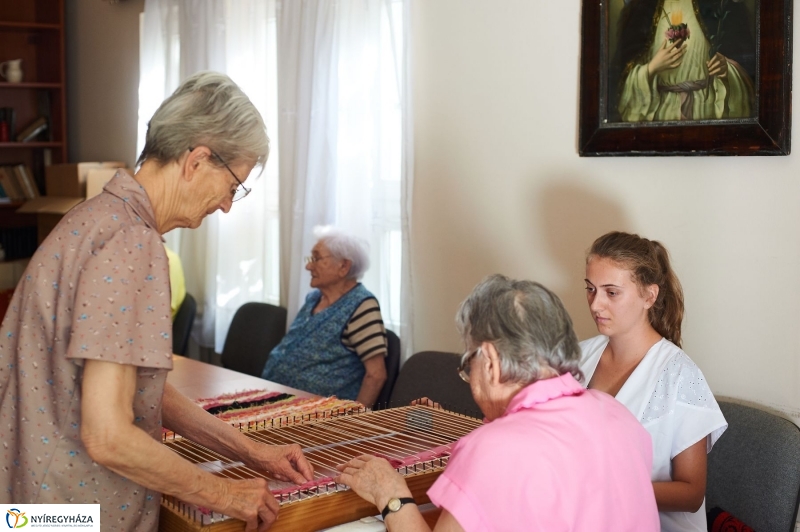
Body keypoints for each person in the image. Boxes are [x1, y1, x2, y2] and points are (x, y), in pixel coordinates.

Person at [0, 72, 313, 531]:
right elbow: (107, 436)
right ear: (197, 160)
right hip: (75, 512)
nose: (227, 206)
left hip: (32, 509)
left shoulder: (91, 219)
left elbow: (138, 385)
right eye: (233, 186)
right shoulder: (134, 245)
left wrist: (252, 452)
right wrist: (225, 493)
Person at [336, 275, 660, 532]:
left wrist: (390, 494)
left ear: (489, 360)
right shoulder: (616, 412)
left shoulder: (496, 448)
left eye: (469, 362)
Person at [580, 231, 727, 532]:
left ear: (649, 296)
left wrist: (607, 492)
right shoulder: (577, 357)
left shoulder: (680, 377)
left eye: (611, 292)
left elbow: (691, 493)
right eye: (591, 289)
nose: (595, 305)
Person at [261, 227, 387, 407]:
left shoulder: (362, 305)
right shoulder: (314, 298)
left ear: (344, 266)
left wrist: (356, 422)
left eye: (317, 258)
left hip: (320, 413)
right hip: (278, 400)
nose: (308, 266)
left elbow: (376, 375)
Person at [612, 0, 755, 122]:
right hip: (660, 115)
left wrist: (726, 69)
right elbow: (620, 81)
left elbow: (746, 65)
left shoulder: (719, 4)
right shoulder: (644, 8)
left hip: (706, 111)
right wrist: (651, 68)